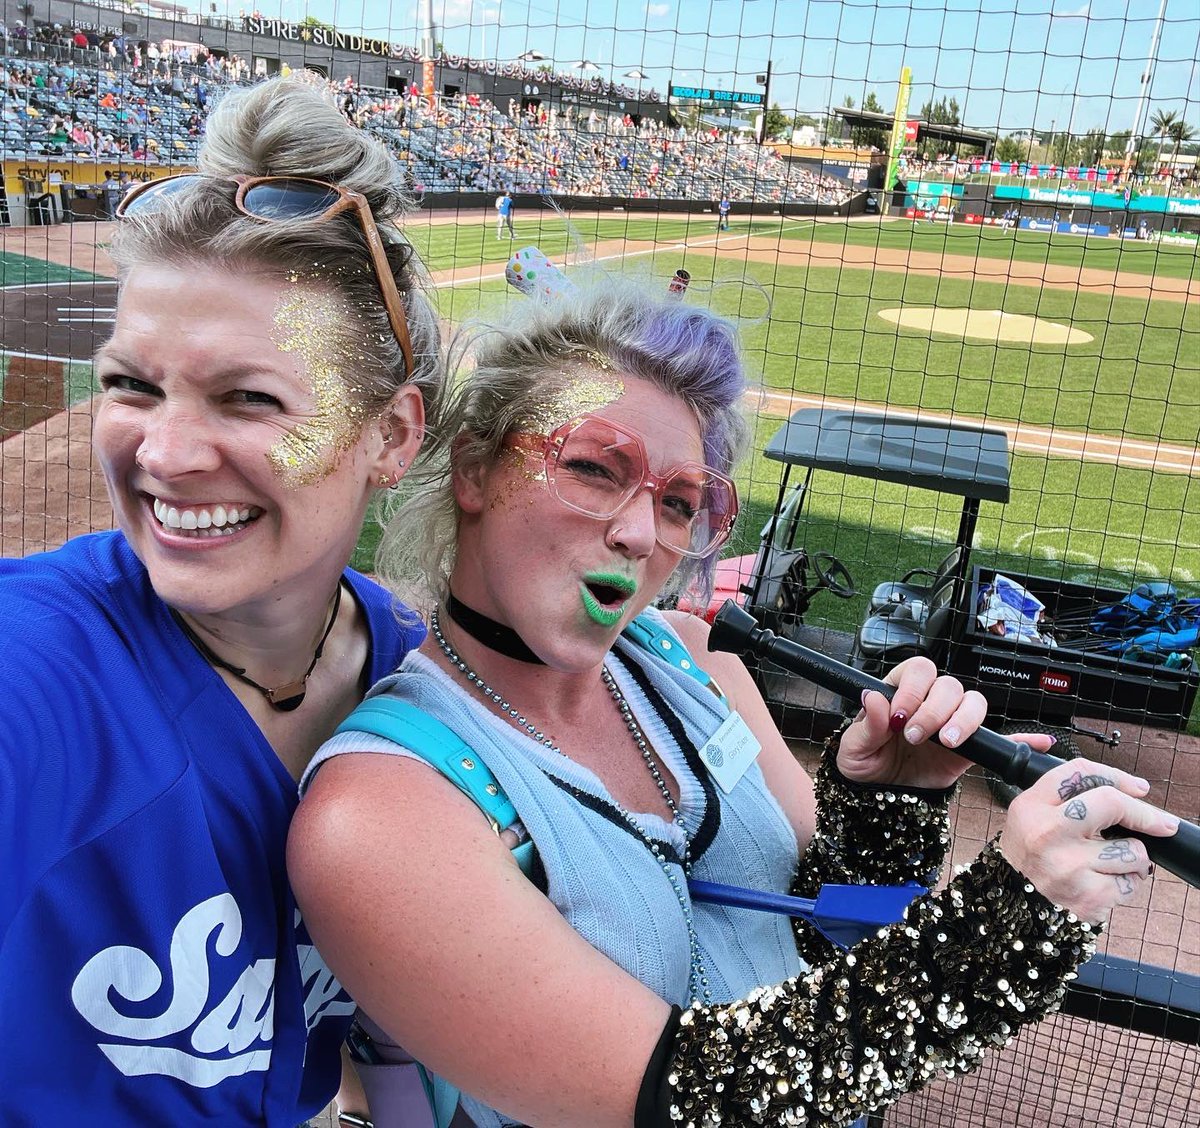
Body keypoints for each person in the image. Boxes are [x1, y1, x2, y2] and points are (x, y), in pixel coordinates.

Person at [289, 283, 1175, 1128]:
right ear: (476, 468)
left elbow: (832, 944)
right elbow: (696, 1094)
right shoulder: (376, 814)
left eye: (678, 502)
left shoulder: (697, 658)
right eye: (595, 468)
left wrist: (892, 804)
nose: (640, 536)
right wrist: (1003, 924)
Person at [0, 76, 445, 1124]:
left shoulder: (417, 679)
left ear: (391, 435)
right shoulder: (42, 669)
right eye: (130, 385)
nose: (162, 453)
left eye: (249, 397)